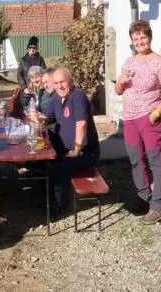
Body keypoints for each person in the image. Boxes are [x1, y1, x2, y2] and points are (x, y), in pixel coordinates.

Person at [115, 20, 161, 225]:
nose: (140, 41)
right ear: (132, 41)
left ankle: (158, 206)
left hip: (149, 118)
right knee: (136, 160)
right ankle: (144, 198)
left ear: (149, 37)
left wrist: (155, 114)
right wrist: (120, 81)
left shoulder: (160, 62)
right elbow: (119, 91)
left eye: (143, 37)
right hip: (129, 119)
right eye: (136, 39)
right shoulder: (129, 62)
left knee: (155, 161)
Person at [36, 67, 99, 217]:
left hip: (84, 151)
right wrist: (38, 117)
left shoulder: (78, 96)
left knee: (59, 170)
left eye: (62, 82)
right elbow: (47, 118)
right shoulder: (56, 99)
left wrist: (76, 149)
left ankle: (57, 206)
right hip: (64, 149)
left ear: (70, 81)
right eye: (56, 83)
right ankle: (50, 199)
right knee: (42, 163)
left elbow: (81, 124)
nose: (59, 86)